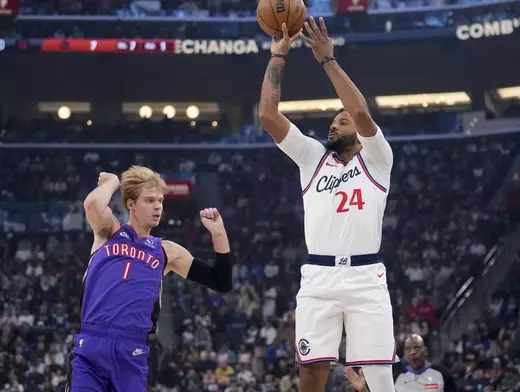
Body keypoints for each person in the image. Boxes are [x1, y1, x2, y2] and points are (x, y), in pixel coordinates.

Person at [258, 18, 396, 392]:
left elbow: (363, 112)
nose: (335, 124)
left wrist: (327, 60)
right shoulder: (312, 158)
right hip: (318, 277)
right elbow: (268, 117)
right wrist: (278, 58)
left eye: (342, 119)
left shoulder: (378, 159)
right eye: (334, 120)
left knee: (380, 373)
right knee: (312, 374)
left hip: (366, 277)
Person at [66, 167, 233, 391]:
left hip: (132, 350)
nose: (158, 206)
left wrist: (219, 234)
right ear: (131, 204)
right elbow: (92, 205)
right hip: (92, 344)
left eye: (161, 201)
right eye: (150, 200)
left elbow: (221, 281)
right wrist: (113, 182)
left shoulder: (166, 250)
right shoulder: (109, 231)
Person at [345, 334, 457, 392]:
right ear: (404, 353)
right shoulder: (396, 378)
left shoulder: (442, 374)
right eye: (408, 349)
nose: (412, 352)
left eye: (417, 348)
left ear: (425, 351)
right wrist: (362, 389)